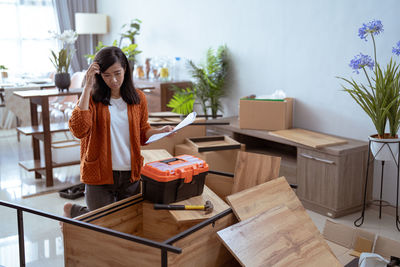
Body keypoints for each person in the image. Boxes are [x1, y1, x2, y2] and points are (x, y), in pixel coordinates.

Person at [63, 46, 173, 218]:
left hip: (130, 175)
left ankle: (76, 211)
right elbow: (79, 130)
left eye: (117, 73)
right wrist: (86, 87)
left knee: (125, 221)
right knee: (103, 222)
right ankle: (73, 211)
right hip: (99, 174)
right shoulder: (91, 98)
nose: (113, 80)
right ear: (99, 75)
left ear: (125, 70)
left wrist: (161, 131)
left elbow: (143, 132)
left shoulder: (138, 98)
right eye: (107, 75)